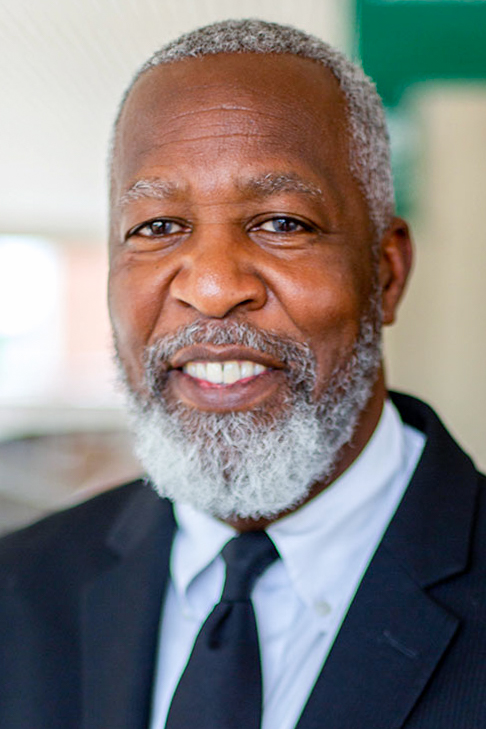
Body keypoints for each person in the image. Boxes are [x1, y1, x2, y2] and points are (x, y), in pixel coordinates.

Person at [1, 18, 485, 729]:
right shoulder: (18, 591)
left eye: (282, 222)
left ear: (385, 272)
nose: (214, 285)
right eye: (157, 227)